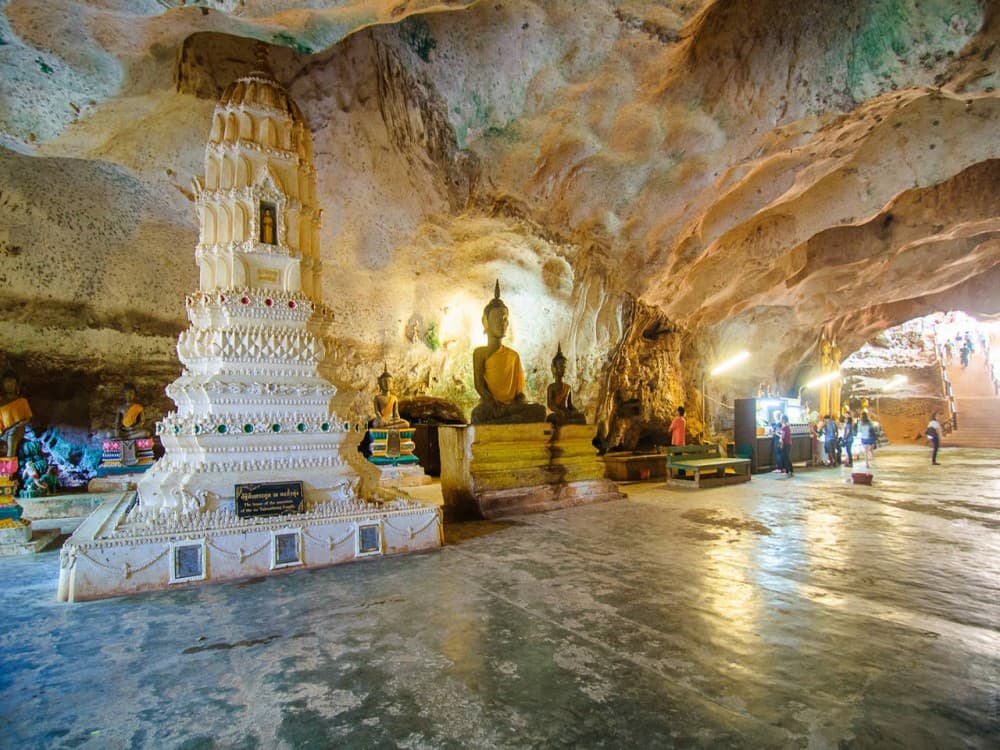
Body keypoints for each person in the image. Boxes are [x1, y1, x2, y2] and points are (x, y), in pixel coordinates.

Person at [471, 282, 546, 424]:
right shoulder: (480, 353)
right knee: (478, 414)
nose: (502, 323)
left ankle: (509, 419)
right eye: (497, 318)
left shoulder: (513, 355)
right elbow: (479, 386)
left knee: (540, 410)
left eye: (505, 319)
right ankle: (511, 420)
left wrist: (517, 403)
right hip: (491, 407)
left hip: (511, 408)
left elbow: (519, 393)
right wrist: (493, 404)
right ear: (485, 322)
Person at [546, 345, 586, 425]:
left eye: (565, 366)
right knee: (553, 419)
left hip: (567, 413)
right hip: (558, 414)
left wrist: (574, 410)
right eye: (561, 366)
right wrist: (558, 411)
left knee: (582, 417)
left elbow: (570, 405)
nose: (564, 368)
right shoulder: (551, 387)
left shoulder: (568, 387)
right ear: (554, 368)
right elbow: (550, 404)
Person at [0, 370, 32, 462]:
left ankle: (8, 473)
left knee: (11, 437)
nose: (9, 385)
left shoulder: (22, 401)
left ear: (16, 385)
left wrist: (13, 428)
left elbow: (27, 418)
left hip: (16, 430)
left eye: (12, 383)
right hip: (3, 430)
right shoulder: (1, 401)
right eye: (7, 382)